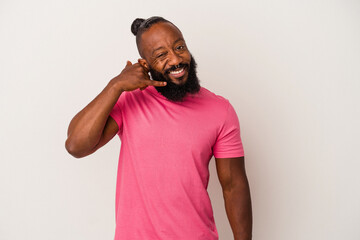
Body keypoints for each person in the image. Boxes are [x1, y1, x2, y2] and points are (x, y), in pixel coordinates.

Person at [65, 16, 252, 240]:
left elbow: (234, 187)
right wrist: (116, 85)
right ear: (145, 64)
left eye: (179, 47)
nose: (175, 60)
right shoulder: (130, 100)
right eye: (161, 55)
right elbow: (76, 145)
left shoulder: (220, 110)